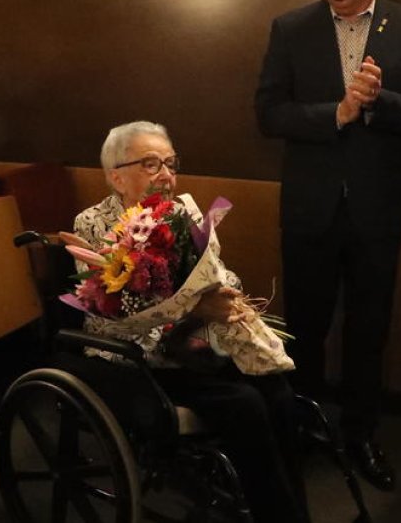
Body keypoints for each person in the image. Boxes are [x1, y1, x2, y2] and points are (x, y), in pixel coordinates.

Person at [254, 0, 401, 490]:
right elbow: (267, 113)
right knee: (303, 330)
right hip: (310, 211)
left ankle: (360, 436)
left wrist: (378, 102)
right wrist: (334, 114)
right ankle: (305, 431)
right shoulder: (290, 29)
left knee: (369, 331)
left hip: (377, 212)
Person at [73, 121, 310, 523]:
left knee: (279, 391)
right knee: (245, 404)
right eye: (151, 164)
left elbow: (219, 271)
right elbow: (113, 312)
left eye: (170, 163)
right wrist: (192, 312)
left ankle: (292, 512)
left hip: (195, 342)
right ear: (116, 176)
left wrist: (226, 297)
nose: (166, 174)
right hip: (135, 355)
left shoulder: (181, 211)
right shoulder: (92, 225)